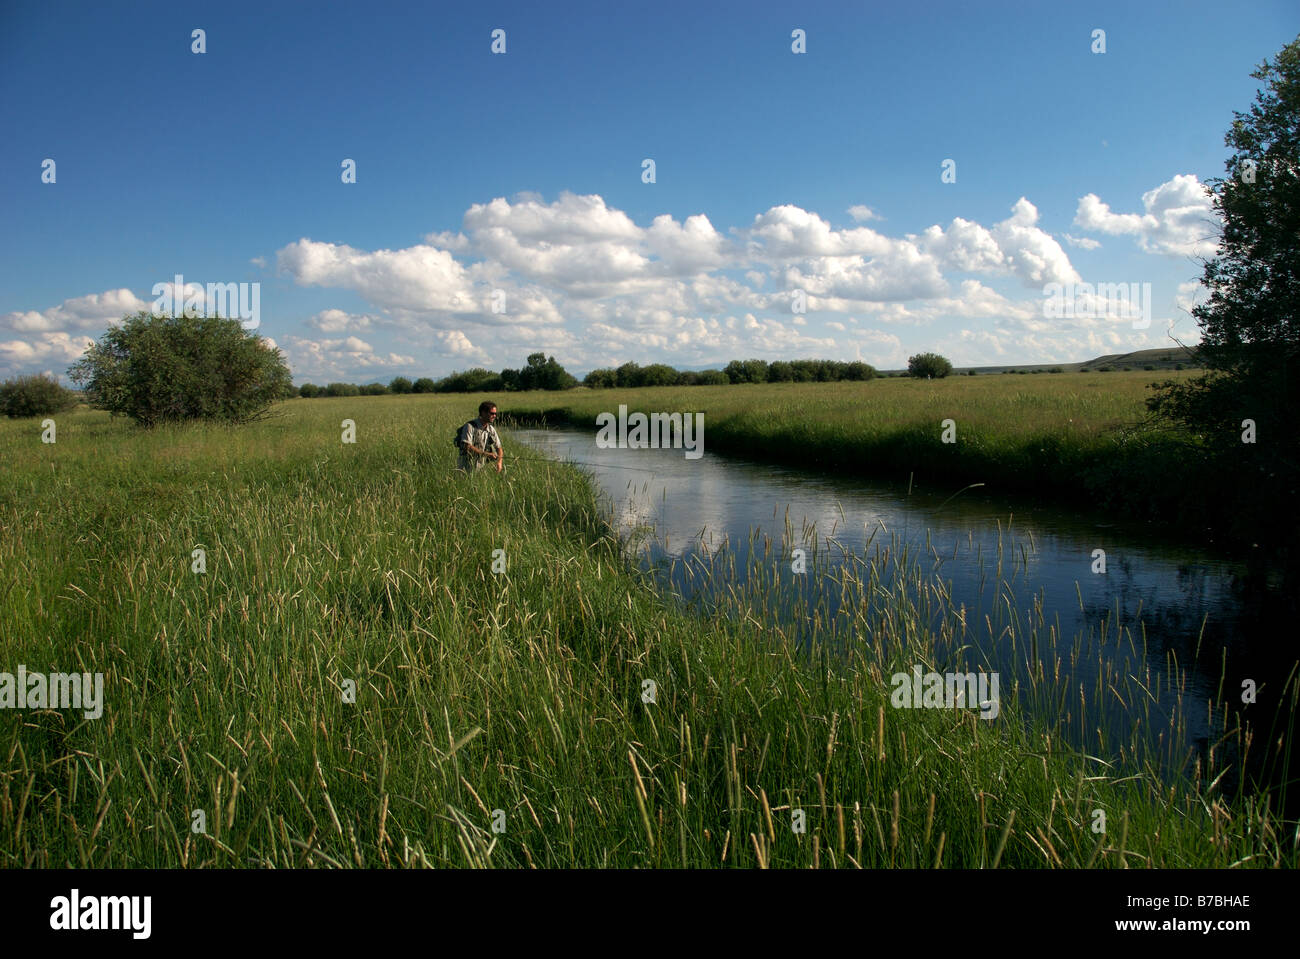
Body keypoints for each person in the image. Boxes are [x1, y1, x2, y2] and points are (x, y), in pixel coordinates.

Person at [456, 401, 504, 474]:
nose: (494, 416)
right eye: (492, 413)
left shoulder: (491, 429)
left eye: (495, 414)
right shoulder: (470, 426)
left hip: (482, 471)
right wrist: (487, 454)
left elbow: (499, 448)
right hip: (465, 469)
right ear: (483, 413)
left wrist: (499, 462)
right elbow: (467, 447)